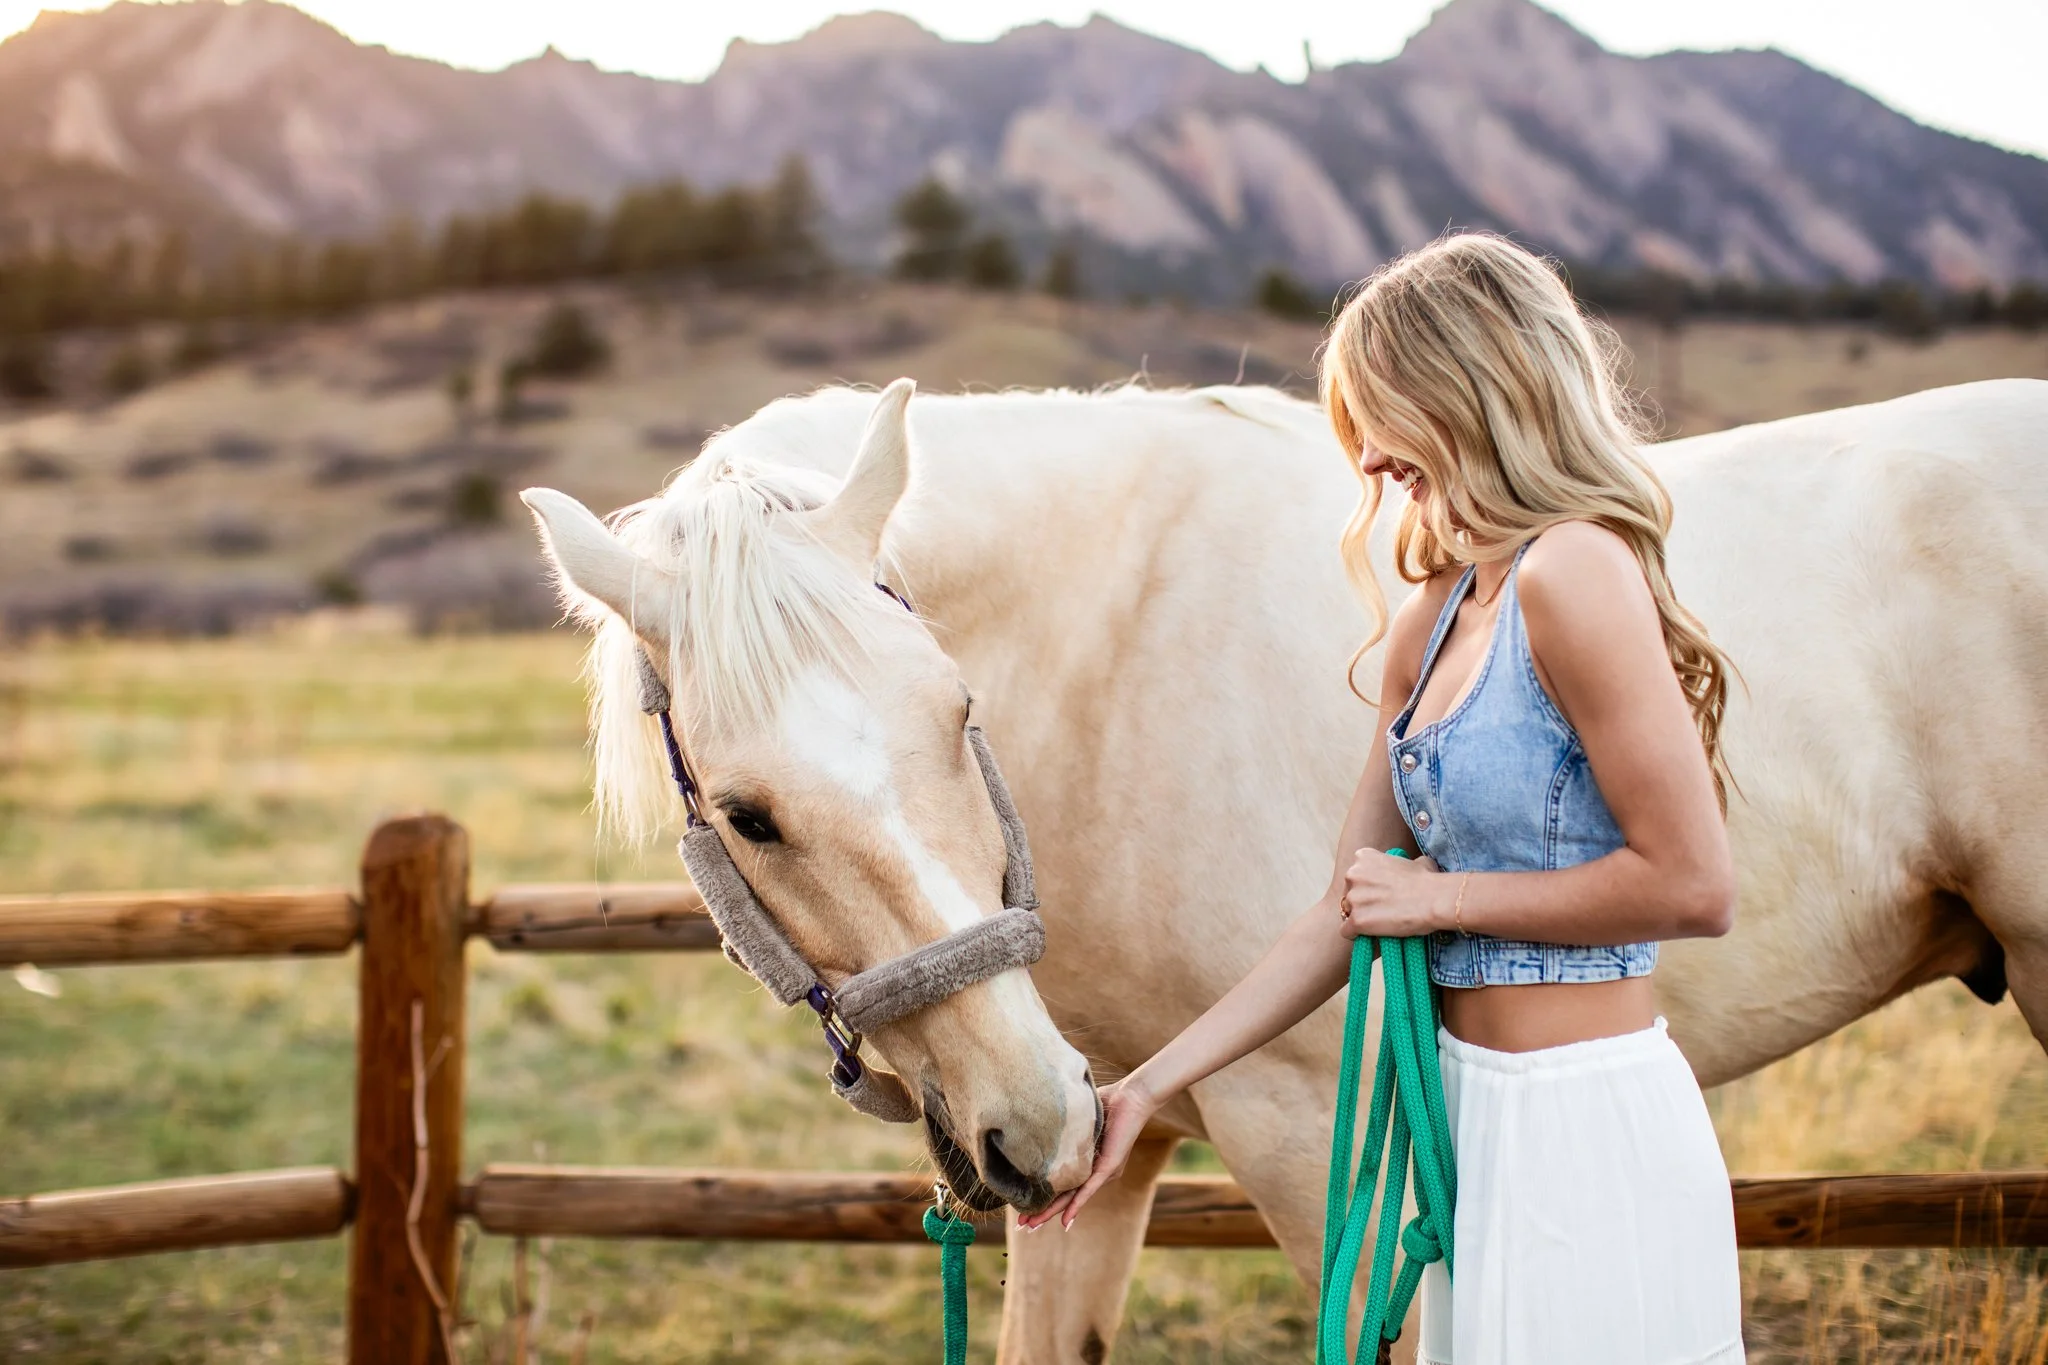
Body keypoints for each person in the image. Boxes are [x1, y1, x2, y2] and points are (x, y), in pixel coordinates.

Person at [1021, 233, 1747, 1364]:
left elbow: (1692, 885)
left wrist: (1443, 898)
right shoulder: (1434, 615)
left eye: (1380, 420)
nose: (1364, 466)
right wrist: (1141, 1089)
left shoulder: (1576, 571)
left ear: (1473, 393)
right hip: (1463, 1123)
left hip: (1583, 1122)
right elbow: (1342, 913)